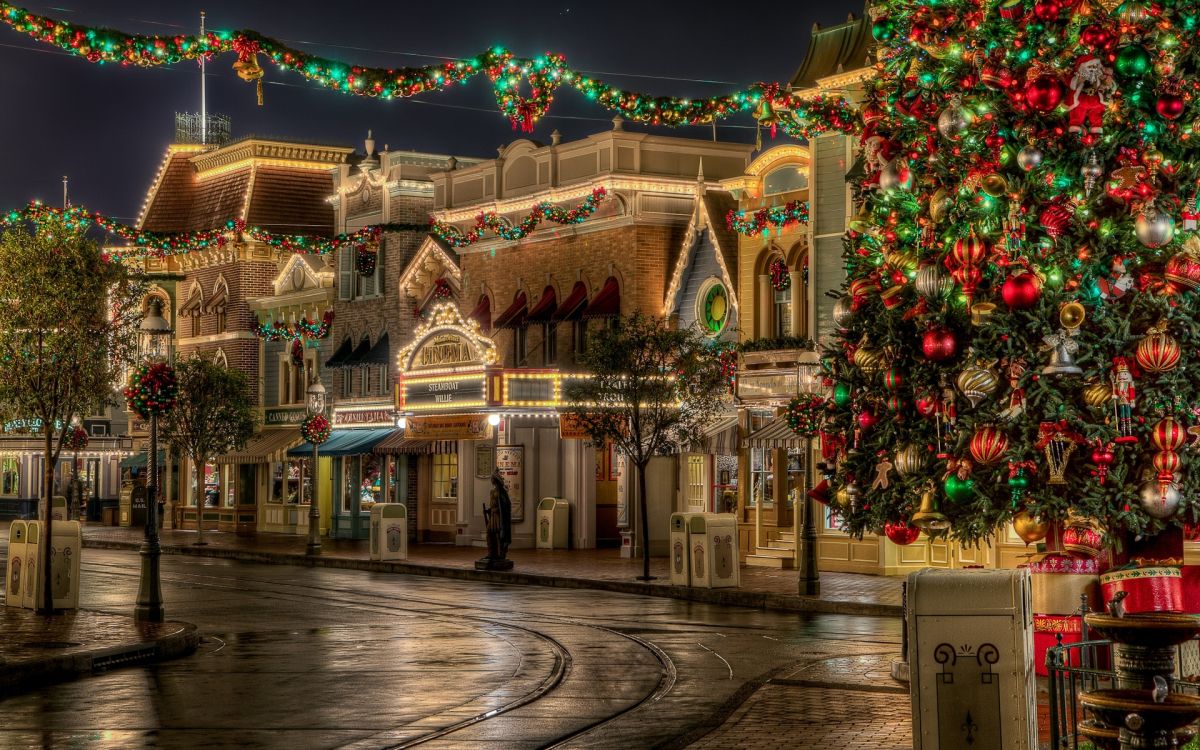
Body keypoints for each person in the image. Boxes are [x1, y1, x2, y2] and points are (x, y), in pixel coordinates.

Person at [481, 469, 513, 568]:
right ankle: (491, 553)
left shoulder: (502, 492)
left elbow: (506, 505)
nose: (491, 480)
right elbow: (493, 504)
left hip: (500, 517)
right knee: (489, 534)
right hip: (493, 516)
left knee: (500, 535)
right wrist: (489, 510)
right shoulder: (492, 491)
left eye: (492, 478)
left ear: (496, 480)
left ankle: (501, 554)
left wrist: (500, 510)